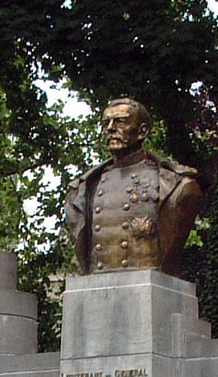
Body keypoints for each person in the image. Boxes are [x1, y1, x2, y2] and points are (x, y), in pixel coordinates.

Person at [64, 98, 203, 276]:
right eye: (106, 123)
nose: (110, 128)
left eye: (120, 121)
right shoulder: (84, 188)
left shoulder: (175, 184)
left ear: (142, 131)